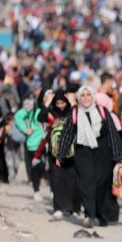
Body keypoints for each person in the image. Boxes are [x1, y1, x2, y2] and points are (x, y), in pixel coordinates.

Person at [56, 86, 122, 228]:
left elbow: (113, 134)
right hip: (83, 152)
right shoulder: (74, 113)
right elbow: (67, 134)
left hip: (103, 153)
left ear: (93, 97)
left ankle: (100, 215)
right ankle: (89, 215)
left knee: (101, 185)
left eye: (89, 95)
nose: (86, 98)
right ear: (79, 98)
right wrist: (60, 154)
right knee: (86, 184)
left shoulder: (102, 111)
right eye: (83, 95)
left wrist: (119, 156)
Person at [38, 90, 81, 220]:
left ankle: (75, 208)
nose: (61, 106)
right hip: (54, 151)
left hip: (72, 151)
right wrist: (48, 103)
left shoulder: (72, 111)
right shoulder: (51, 112)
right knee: (56, 180)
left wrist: (74, 103)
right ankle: (57, 208)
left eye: (63, 103)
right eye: (58, 103)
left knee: (73, 181)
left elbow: (79, 118)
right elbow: (40, 117)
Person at [14, 94, 45, 200]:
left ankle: (50, 189)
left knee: (46, 167)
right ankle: (36, 189)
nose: (27, 105)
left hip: (46, 144)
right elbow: (17, 116)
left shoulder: (42, 110)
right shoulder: (27, 110)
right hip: (32, 145)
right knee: (35, 169)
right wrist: (25, 129)